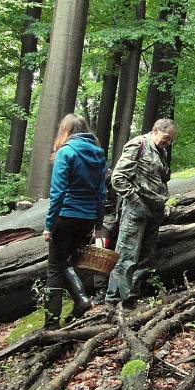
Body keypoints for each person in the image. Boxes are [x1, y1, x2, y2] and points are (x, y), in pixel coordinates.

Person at [105, 118, 178, 309]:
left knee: (145, 257)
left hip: (155, 209)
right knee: (126, 254)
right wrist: (135, 200)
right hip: (136, 207)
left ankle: (131, 296)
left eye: (171, 140)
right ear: (155, 130)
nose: (168, 142)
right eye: (166, 138)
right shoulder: (139, 144)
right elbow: (118, 178)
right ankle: (117, 300)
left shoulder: (161, 151)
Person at [43, 114, 107, 329]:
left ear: (67, 131)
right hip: (87, 219)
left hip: (66, 216)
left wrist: (49, 225)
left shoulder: (66, 152)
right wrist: (98, 224)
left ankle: (51, 324)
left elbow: (58, 192)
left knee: (54, 268)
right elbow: (101, 193)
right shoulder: (99, 154)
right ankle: (81, 299)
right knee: (68, 263)